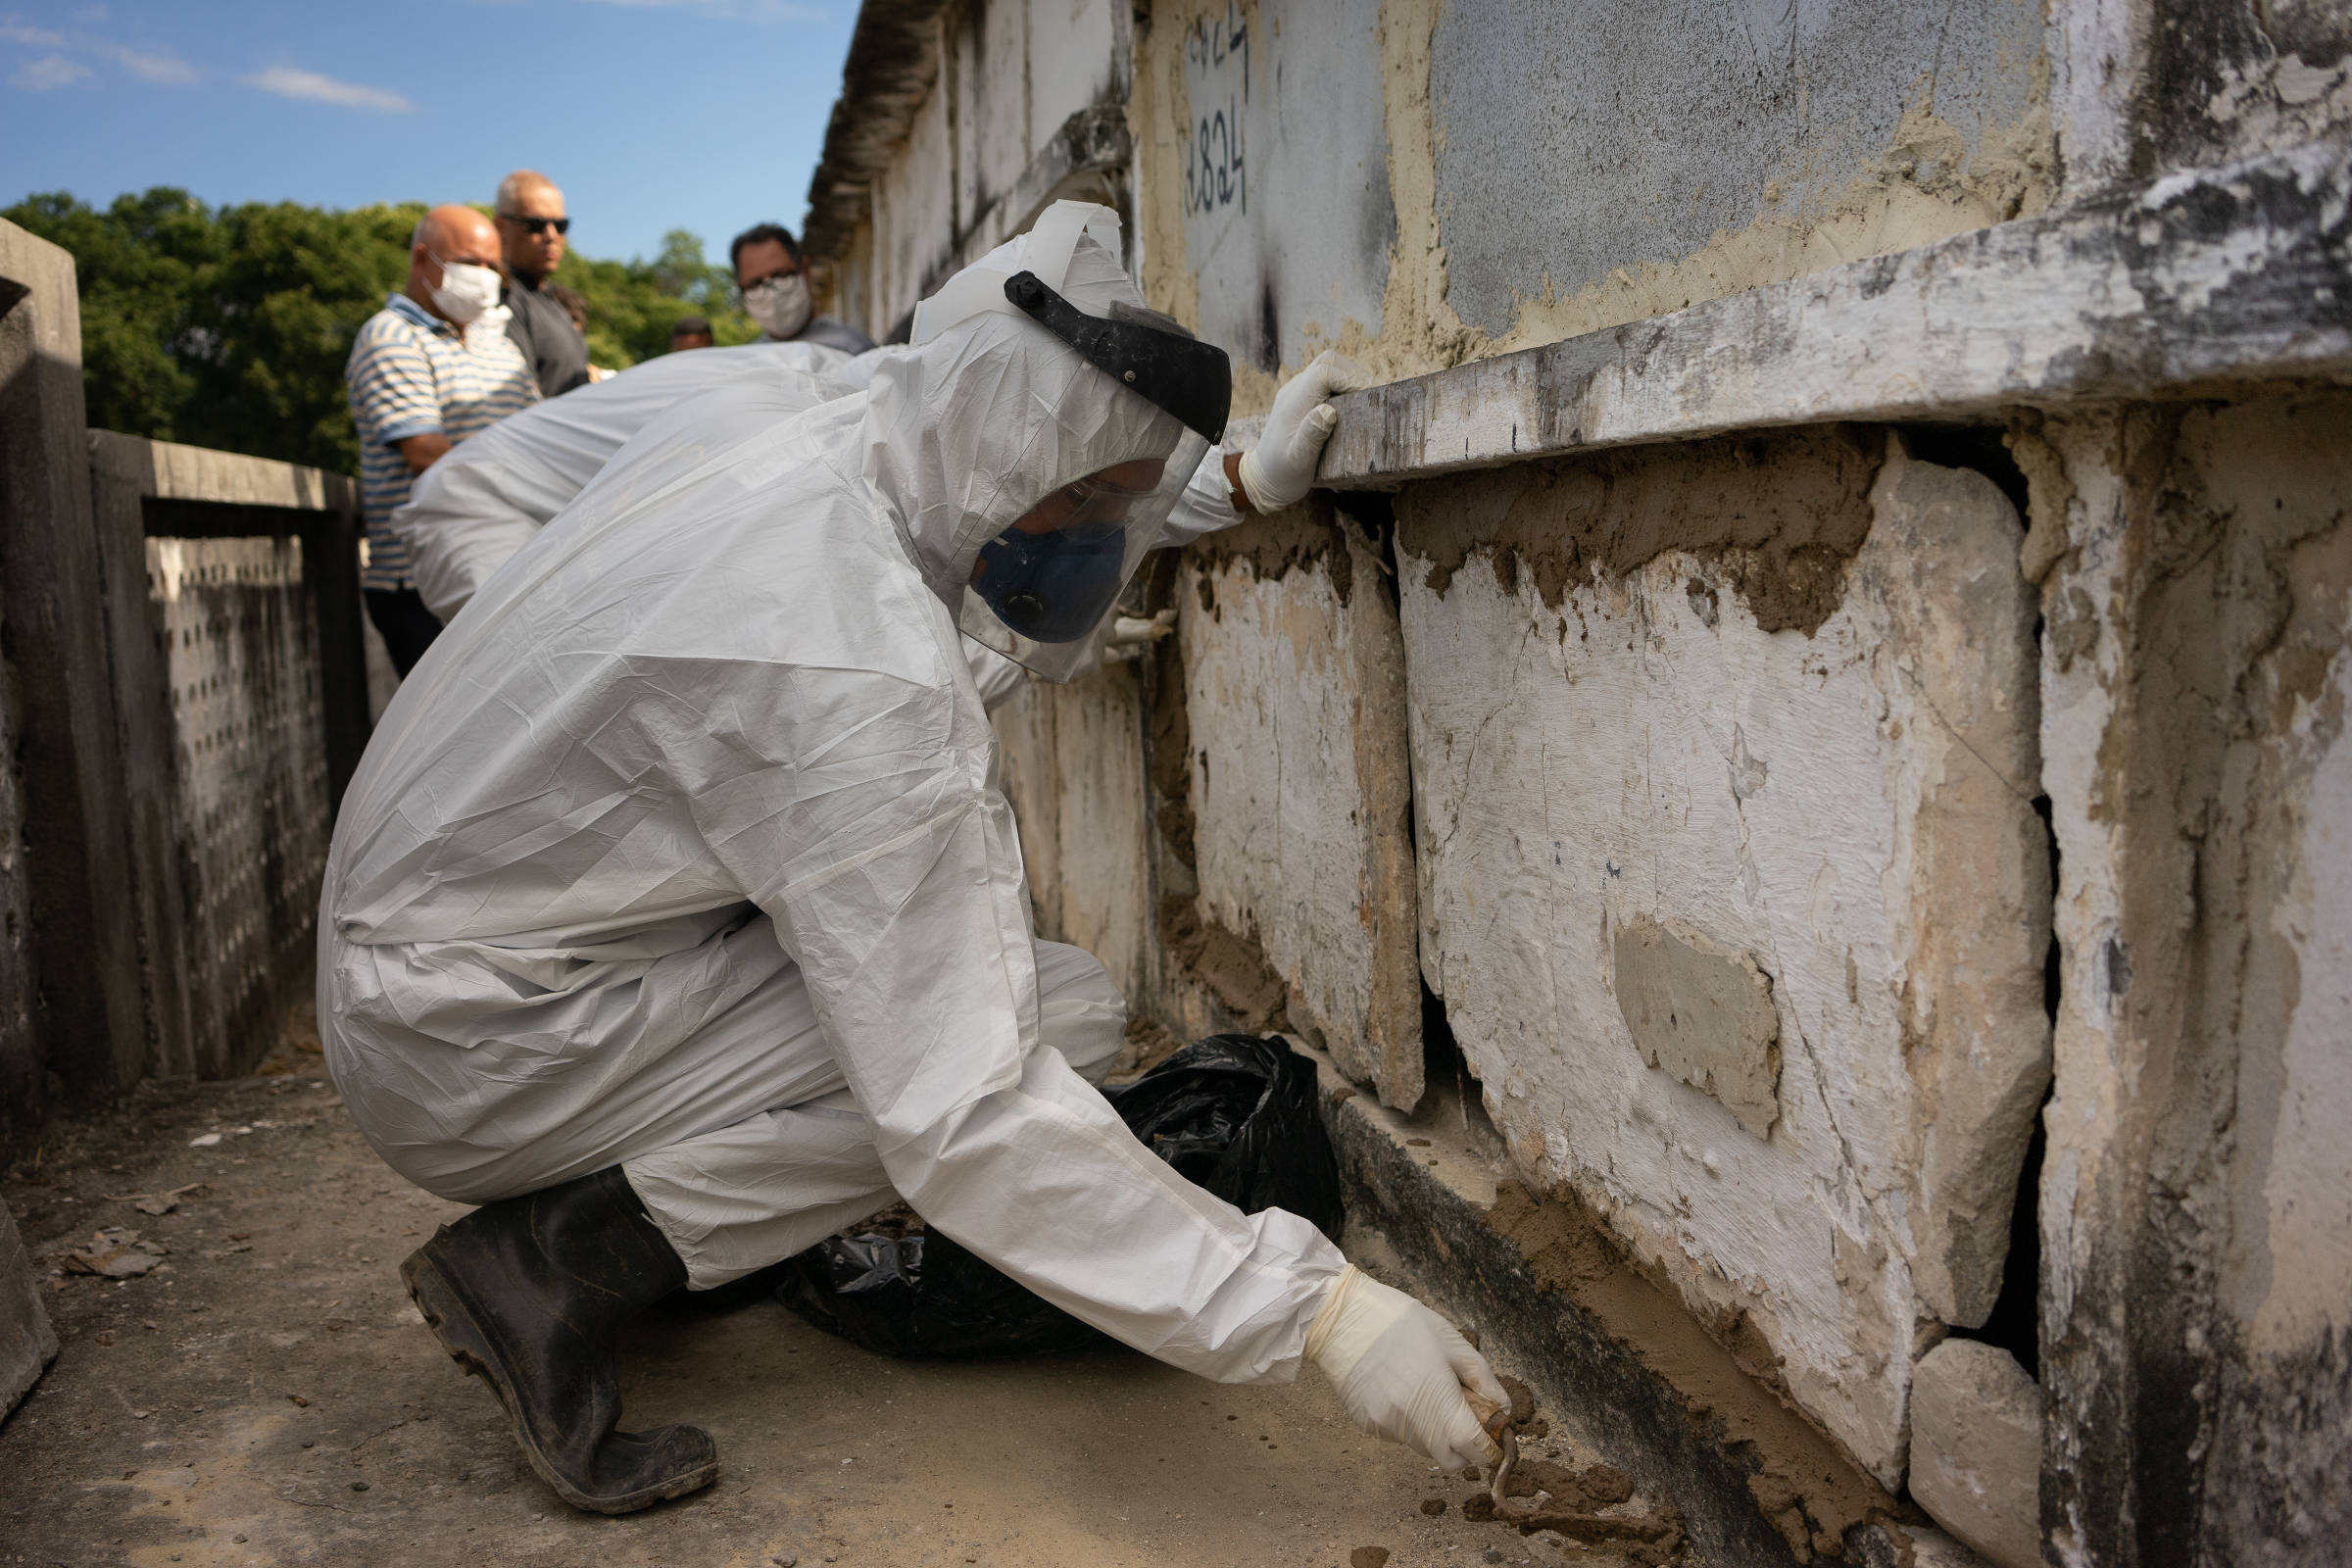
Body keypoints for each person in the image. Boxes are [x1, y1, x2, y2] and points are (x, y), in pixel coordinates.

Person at [318, 202, 1494, 1517]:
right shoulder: (850, 678)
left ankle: (649, 1211)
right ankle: (554, 1257)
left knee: (1010, 1001)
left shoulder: (826, 400)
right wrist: (1322, 1318)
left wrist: (1221, 484)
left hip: (440, 935)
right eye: (1097, 503)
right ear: (1010, 472)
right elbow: (965, 1115)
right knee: (1031, 1021)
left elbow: (1030, 478)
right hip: (470, 1041)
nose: (1107, 536)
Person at [344, 203, 539, 675]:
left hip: (504, 571)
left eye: (494, 266)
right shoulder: (391, 337)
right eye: (472, 263)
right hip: (422, 587)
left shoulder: (501, 348)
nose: (486, 277)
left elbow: (540, 435)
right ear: (422, 260)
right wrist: (535, 486)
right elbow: (426, 454)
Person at [496, 170, 593, 397]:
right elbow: (520, 399)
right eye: (536, 225)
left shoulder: (554, 301)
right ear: (501, 226)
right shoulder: (502, 298)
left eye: (560, 226)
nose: (551, 235)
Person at [730, 220, 875, 356]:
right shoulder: (748, 360)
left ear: (804, 270)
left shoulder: (852, 349)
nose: (771, 294)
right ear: (741, 287)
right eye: (755, 283)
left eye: (780, 275)